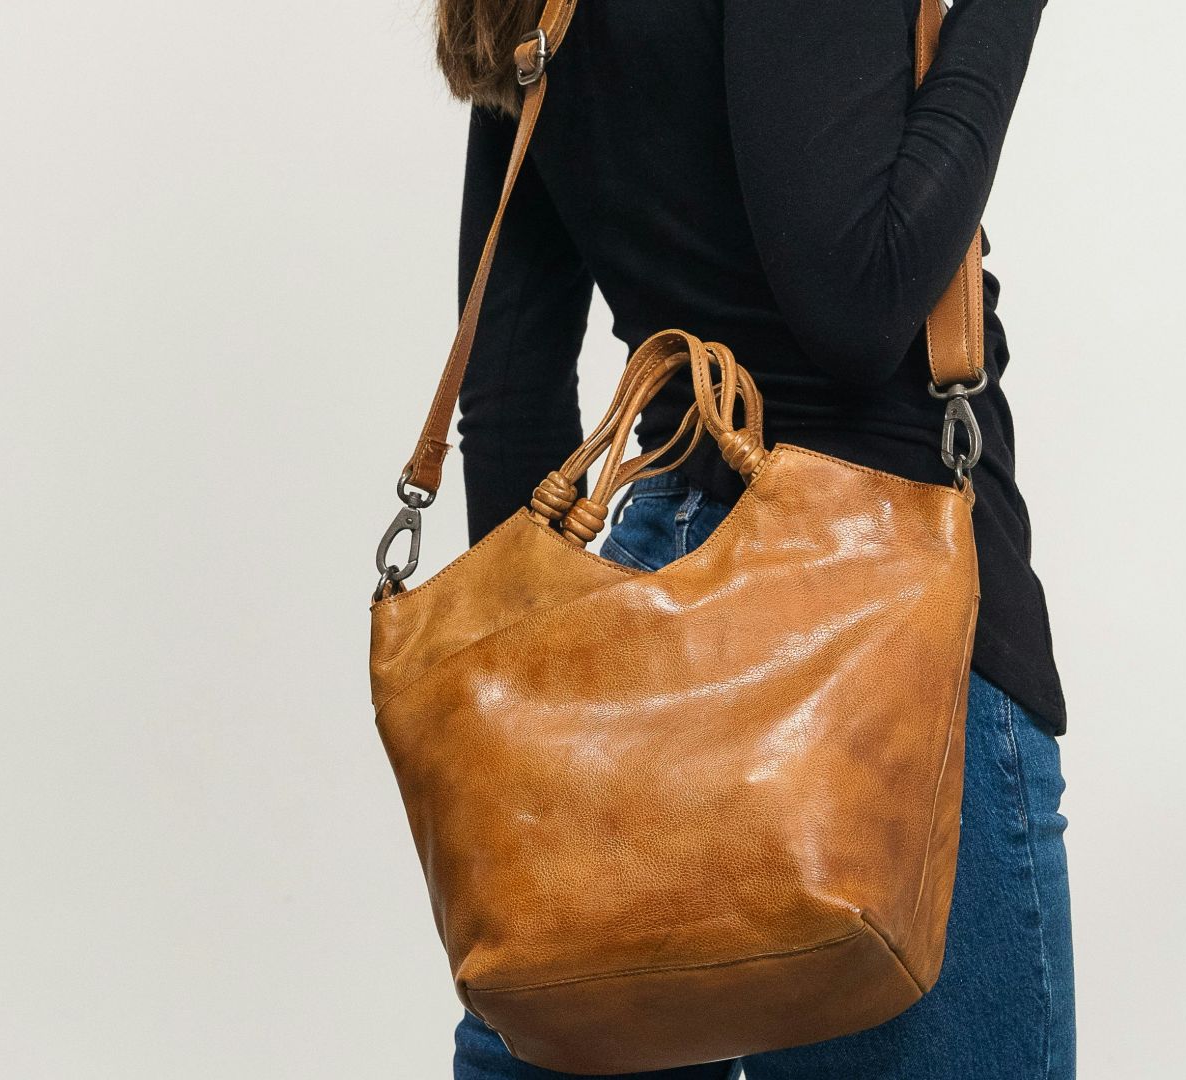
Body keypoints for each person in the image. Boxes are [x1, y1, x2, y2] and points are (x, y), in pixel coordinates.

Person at [435, 0, 1072, 1075]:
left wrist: (550, 750)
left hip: (648, 634)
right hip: (880, 637)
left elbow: (508, 397)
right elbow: (860, 301)